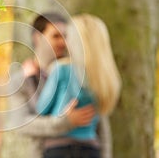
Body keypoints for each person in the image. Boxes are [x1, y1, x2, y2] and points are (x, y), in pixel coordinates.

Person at [0, 13, 97, 158]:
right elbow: (21, 123)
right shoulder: (20, 81)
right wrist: (65, 123)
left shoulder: (79, 73)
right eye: (56, 36)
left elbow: (99, 122)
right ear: (37, 38)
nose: (62, 42)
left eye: (65, 36)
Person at [36, 14, 121, 158]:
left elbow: (41, 109)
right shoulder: (105, 78)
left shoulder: (61, 69)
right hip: (90, 148)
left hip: (59, 147)